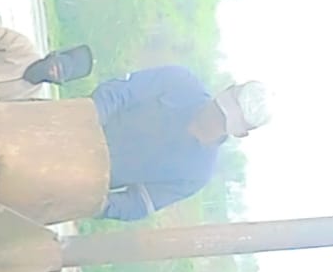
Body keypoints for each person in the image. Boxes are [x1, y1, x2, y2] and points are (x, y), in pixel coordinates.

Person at [91, 66, 270, 220]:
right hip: (84, 125)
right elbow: (117, 92)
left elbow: (139, 202)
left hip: (89, 178)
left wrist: (93, 203)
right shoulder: (180, 81)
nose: (213, 118)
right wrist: (87, 123)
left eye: (223, 120)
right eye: (219, 108)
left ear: (240, 133)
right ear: (226, 89)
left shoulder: (198, 174)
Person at [0, 17, 93, 104]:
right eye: (57, 64)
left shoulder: (29, 99)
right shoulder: (21, 45)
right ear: (53, 55)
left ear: (59, 82)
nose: (54, 70)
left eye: (59, 73)